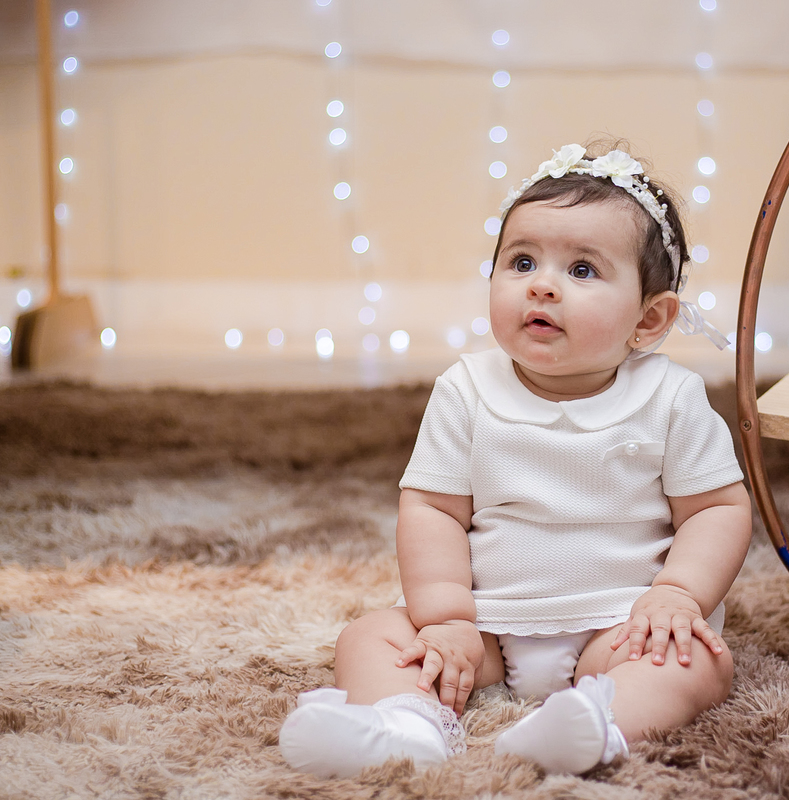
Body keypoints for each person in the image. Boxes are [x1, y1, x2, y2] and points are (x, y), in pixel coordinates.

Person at [278, 141, 752, 778]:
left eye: (582, 270)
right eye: (521, 261)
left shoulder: (670, 397)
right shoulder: (467, 389)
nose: (543, 285)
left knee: (696, 661)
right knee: (369, 638)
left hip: (619, 626)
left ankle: (599, 724)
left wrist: (678, 595)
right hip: (489, 625)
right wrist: (446, 617)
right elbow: (433, 509)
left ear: (649, 319)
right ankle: (406, 724)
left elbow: (717, 509)